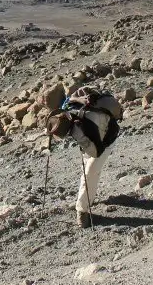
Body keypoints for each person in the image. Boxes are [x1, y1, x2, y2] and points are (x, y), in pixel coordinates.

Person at [35, 83, 123, 228]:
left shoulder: (85, 126)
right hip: (92, 133)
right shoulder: (67, 110)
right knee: (88, 171)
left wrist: (82, 141)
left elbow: (96, 151)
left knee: (90, 171)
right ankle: (88, 197)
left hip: (106, 138)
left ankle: (82, 211)